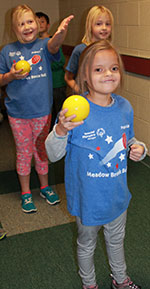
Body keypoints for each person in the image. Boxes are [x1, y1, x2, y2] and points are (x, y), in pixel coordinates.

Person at [45, 40, 147, 289]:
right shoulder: (75, 110)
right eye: (99, 70)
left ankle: (120, 279)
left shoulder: (124, 106)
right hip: (88, 198)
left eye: (113, 68)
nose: (108, 74)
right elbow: (53, 154)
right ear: (85, 76)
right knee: (87, 243)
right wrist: (61, 131)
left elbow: (130, 139)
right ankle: (89, 287)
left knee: (116, 240)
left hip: (116, 195)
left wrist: (139, 148)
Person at [0, 4, 73, 213]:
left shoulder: (44, 45)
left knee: (41, 151)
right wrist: (11, 76)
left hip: (42, 111)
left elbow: (54, 46)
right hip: (17, 113)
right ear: (15, 29)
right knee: (24, 153)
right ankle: (25, 192)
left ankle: (44, 186)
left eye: (30, 21)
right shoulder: (7, 51)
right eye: (21, 24)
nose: (27, 26)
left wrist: (61, 33)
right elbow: (0, 78)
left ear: (37, 24)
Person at [65, 5, 113, 93]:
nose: (104, 28)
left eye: (108, 24)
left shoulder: (111, 51)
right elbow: (68, 77)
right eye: (98, 24)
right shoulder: (80, 49)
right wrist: (80, 91)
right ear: (90, 26)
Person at [36, 11, 67, 129]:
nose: (39, 24)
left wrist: (44, 65)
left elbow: (60, 62)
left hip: (57, 84)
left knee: (59, 113)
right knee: (46, 115)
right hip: (43, 86)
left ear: (48, 25)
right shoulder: (35, 45)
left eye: (42, 22)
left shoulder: (54, 41)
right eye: (37, 22)